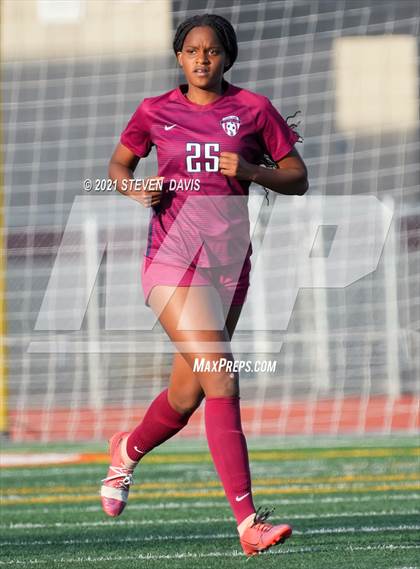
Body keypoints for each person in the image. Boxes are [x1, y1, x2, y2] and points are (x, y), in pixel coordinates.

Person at [101, 13, 308, 557]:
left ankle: (127, 450)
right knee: (223, 380)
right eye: (191, 51)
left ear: (227, 57)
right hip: (171, 263)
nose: (200, 60)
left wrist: (253, 171)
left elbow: (298, 178)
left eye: (211, 51)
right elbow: (117, 168)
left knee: (186, 395)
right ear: (178, 56)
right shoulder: (154, 111)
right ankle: (248, 523)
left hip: (230, 265)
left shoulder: (253, 110)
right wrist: (132, 190)